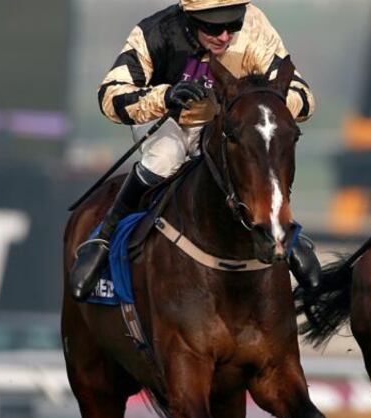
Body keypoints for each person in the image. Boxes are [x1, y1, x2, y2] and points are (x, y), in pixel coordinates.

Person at [69, 0, 319, 302]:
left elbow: (302, 96)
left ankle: (288, 236)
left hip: (224, 121)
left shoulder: (255, 24)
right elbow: (110, 96)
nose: (225, 36)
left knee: (259, 150)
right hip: (170, 119)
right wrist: (166, 96)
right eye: (213, 27)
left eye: (232, 24)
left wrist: (256, 104)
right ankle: (104, 236)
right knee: (166, 158)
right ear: (189, 19)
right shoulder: (155, 32)